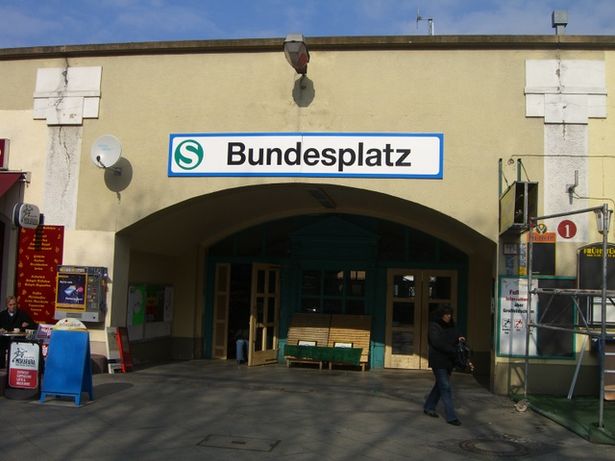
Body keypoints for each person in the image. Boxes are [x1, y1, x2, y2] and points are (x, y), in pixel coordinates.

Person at [423, 305, 465, 426]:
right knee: (445, 387)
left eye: (450, 314)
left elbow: (457, 334)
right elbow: (437, 342)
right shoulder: (434, 325)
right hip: (438, 360)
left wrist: (460, 338)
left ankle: (429, 407)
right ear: (441, 315)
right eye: (446, 314)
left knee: (440, 385)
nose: (448, 316)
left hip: (449, 360)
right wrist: (452, 349)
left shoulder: (452, 324)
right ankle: (451, 417)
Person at [0, 296, 37, 368]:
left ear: (16, 304)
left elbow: (33, 325)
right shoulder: (2, 315)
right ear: (7, 305)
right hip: (5, 339)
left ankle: (18, 366)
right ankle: (1, 365)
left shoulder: (22, 313)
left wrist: (27, 325)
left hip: (19, 339)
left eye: (14, 304)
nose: (12, 306)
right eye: (10, 305)